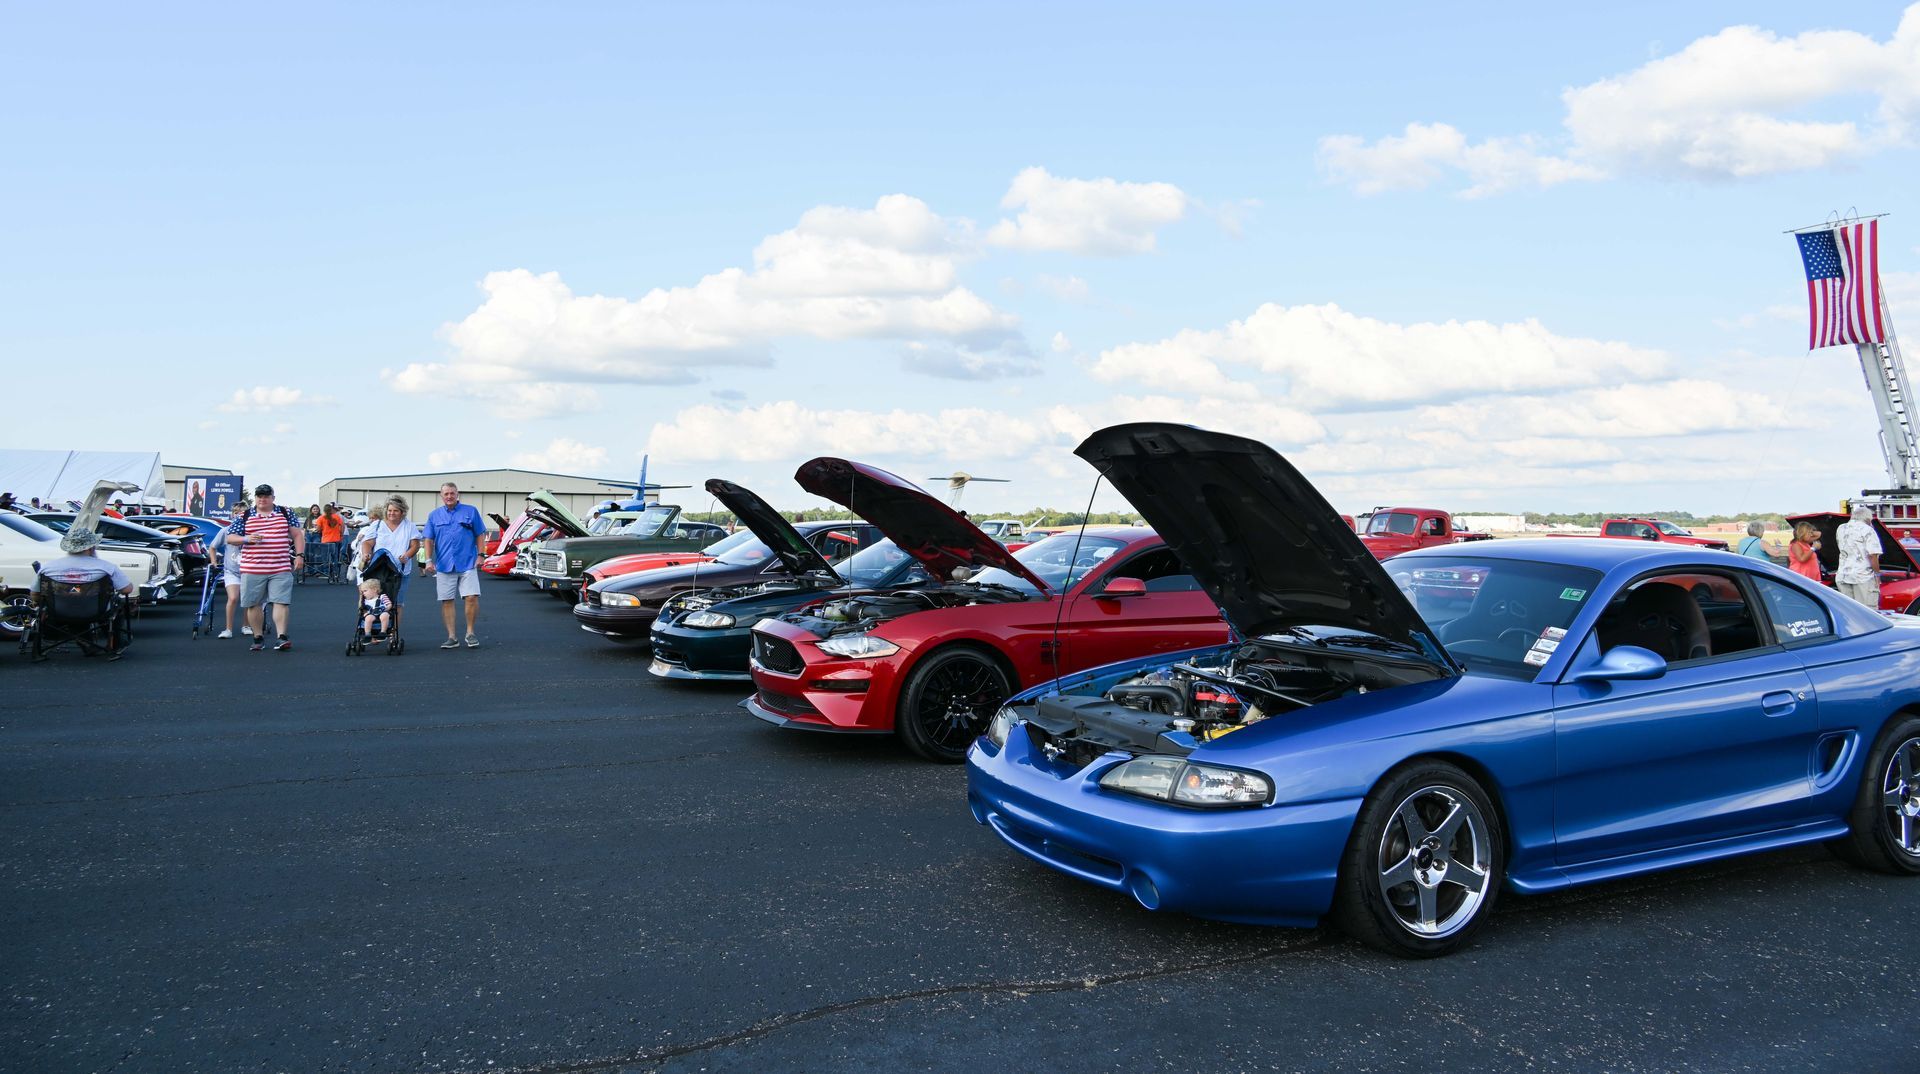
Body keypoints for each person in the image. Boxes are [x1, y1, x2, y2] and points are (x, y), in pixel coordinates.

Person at [228, 484, 306, 651]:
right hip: (252, 568)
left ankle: (282, 637)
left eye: (266, 496)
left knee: (281, 601)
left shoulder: (285, 512)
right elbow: (230, 538)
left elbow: (297, 534)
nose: (262, 499)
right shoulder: (245, 515)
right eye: (259, 496)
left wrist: (299, 556)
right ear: (255, 498)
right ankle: (258, 637)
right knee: (253, 603)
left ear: (273, 498)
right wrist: (246, 539)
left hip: (280, 566)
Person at [422, 482, 486, 649]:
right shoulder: (434, 515)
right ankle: (452, 637)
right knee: (447, 601)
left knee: (471, 597)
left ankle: (470, 633)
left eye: (452, 493)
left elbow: (480, 533)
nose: (449, 496)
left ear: (458, 494)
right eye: (446, 494)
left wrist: (481, 555)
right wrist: (428, 560)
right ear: (441, 495)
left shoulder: (470, 511)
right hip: (444, 565)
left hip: (468, 563)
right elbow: (428, 539)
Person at [357, 496, 422, 636]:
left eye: (396, 511)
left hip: (399, 569)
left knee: (397, 602)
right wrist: (366, 554)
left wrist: (407, 555)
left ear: (402, 512)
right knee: (371, 600)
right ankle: (370, 630)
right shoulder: (378, 525)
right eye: (389, 510)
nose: (391, 513)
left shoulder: (409, 526)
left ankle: (393, 632)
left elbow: (415, 545)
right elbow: (367, 543)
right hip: (378, 568)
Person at [210, 504, 252, 638]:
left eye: (242, 512)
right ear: (232, 514)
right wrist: (213, 561)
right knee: (233, 598)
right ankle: (228, 629)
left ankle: (246, 625)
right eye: (235, 512)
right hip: (231, 570)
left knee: (247, 600)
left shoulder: (251, 530)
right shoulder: (226, 531)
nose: (238, 514)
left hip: (248, 570)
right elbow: (212, 547)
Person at [1835, 504, 1882, 607]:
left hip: (1842, 574)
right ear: (1868, 518)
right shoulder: (1868, 530)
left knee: (1848, 610)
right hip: (1862, 576)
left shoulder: (1841, 528)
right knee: (1867, 610)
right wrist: (1877, 575)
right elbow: (1872, 555)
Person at [315, 503, 348, 575]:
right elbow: (343, 526)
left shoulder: (321, 518)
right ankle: (335, 572)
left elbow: (318, 529)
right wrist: (341, 534)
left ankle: (326, 572)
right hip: (336, 540)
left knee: (325, 557)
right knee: (335, 557)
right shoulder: (337, 517)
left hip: (325, 540)